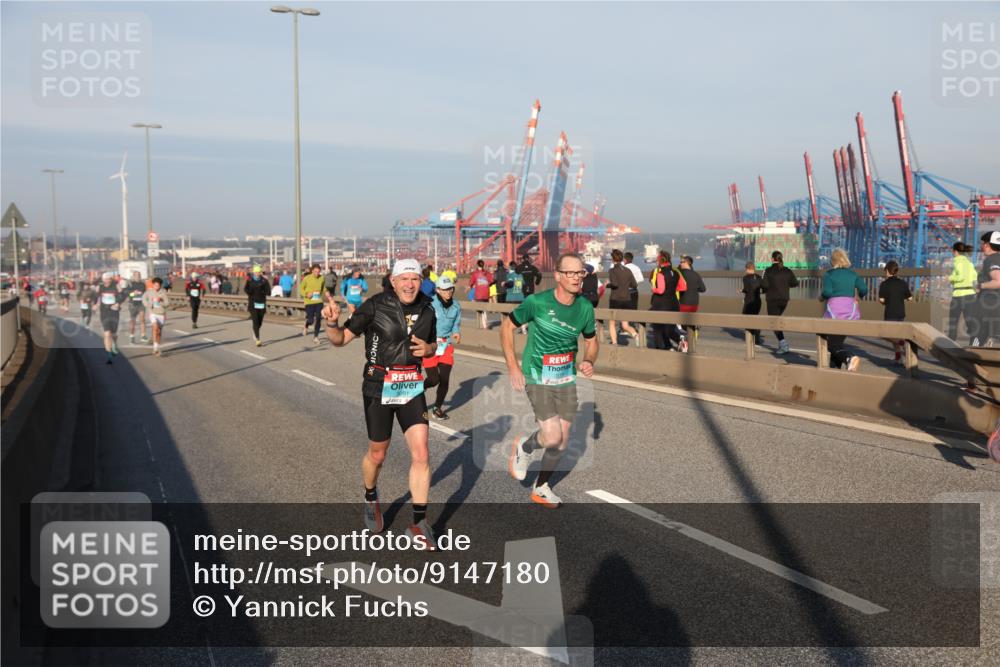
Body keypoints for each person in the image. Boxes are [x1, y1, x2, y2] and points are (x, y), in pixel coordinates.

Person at [322, 258, 438, 547]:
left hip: (411, 386)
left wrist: (430, 348)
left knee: (421, 452)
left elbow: (433, 343)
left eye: (415, 279)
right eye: (405, 279)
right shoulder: (375, 305)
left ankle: (419, 523)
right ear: (394, 281)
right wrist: (332, 323)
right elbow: (340, 340)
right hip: (379, 386)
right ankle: (370, 495)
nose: (410, 284)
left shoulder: (427, 308)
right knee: (378, 455)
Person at [503, 253, 598, 508]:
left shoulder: (585, 308)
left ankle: (541, 487)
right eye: (571, 273)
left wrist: (589, 360)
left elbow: (591, 340)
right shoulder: (537, 302)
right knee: (553, 437)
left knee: (562, 442)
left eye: (581, 273)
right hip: (537, 375)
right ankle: (525, 446)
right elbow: (507, 326)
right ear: (557, 276)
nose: (577, 278)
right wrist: (513, 367)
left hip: (566, 378)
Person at [820, 248, 867, 371]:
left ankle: (849, 358)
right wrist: (859, 297)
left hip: (834, 310)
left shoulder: (829, 274)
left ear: (832, 261)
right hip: (850, 310)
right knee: (837, 343)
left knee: (831, 345)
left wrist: (821, 297)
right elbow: (863, 289)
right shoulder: (853, 274)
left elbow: (827, 291)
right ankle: (834, 372)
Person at [423, 275, 461, 420]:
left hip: (446, 345)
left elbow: (456, 323)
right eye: (445, 290)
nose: (448, 292)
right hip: (431, 345)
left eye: (450, 289)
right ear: (438, 290)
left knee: (444, 380)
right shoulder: (430, 304)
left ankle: (437, 408)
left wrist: (456, 332)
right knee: (434, 380)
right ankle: (421, 387)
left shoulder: (456, 305)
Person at [761, 250, 799, 355]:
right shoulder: (787, 270)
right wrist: (785, 286)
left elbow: (764, 285)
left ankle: (783, 344)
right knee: (776, 321)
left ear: (772, 259)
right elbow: (795, 283)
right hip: (784, 300)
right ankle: (781, 343)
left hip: (773, 300)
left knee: (773, 322)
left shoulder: (767, 270)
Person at [649, 251, 687, 352]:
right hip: (674, 303)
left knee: (658, 326)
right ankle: (679, 342)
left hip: (661, 304)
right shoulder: (675, 272)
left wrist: (654, 289)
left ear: (660, 261)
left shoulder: (661, 274)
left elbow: (661, 290)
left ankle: (665, 346)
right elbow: (683, 287)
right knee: (670, 327)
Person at [878, 260, 913, 365]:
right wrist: (900, 298)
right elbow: (910, 298)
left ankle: (903, 343)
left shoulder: (884, 284)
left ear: (888, 271)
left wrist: (886, 301)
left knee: (885, 334)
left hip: (890, 313)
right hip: (900, 313)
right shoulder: (903, 283)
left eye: (885, 271)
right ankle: (898, 358)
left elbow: (882, 300)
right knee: (896, 335)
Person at [606, 249, 639, 346]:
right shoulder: (628, 270)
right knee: (625, 325)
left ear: (613, 259)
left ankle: (615, 343)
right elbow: (634, 285)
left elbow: (615, 284)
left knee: (612, 322)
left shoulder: (612, 270)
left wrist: (608, 285)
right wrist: (625, 284)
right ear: (621, 259)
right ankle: (635, 335)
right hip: (626, 299)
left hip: (615, 299)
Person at [973, 231, 1000, 347]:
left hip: (987, 305)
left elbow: (998, 281)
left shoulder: (991, 259)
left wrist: (980, 286)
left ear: (987, 245)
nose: (982, 246)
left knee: (977, 338)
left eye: (983, 243)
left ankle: (971, 358)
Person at [948, 242, 978, 343]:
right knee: (970, 321)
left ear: (955, 251)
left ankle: (950, 344)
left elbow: (960, 277)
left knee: (953, 322)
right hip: (970, 294)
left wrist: (950, 278)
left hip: (958, 295)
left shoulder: (957, 261)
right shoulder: (969, 263)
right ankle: (975, 344)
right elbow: (974, 277)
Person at [97, 272, 127, 364]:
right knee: (107, 334)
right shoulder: (100, 287)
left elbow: (124, 295)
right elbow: (96, 297)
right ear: (103, 279)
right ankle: (109, 355)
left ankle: (114, 345)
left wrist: (118, 303)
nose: (107, 281)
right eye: (105, 279)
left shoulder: (116, 286)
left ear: (111, 279)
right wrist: (95, 304)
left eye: (109, 279)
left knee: (113, 333)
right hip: (104, 312)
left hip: (114, 312)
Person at [677, 255, 706, 342]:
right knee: (689, 320)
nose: (680, 264)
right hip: (694, 303)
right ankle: (692, 333)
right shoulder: (696, 274)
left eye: (681, 262)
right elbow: (703, 289)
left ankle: (685, 341)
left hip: (683, 302)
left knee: (681, 322)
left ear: (687, 263)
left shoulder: (680, 274)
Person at [300, 263, 326, 344]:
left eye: (318, 272)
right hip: (309, 302)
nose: (317, 274)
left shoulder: (322, 278)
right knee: (311, 320)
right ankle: (306, 325)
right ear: (312, 271)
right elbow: (301, 289)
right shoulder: (307, 278)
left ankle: (316, 337)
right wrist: (306, 294)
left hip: (319, 301)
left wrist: (327, 293)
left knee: (318, 318)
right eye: (315, 272)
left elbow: (323, 288)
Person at [244, 265, 270, 346]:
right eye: (256, 272)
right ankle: (258, 339)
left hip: (261, 302)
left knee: (260, 321)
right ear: (254, 272)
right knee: (255, 321)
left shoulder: (264, 281)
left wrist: (264, 291)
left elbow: (268, 291)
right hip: (253, 303)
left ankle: (255, 331)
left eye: (259, 272)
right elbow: (245, 289)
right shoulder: (250, 281)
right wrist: (250, 293)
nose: (257, 273)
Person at [143, 277, 169, 356]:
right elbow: (144, 299)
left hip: (161, 313)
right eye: (155, 285)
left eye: (158, 285)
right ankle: (155, 348)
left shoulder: (163, 292)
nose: (156, 287)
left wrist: (161, 301)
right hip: (152, 313)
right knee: (155, 327)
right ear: (153, 285)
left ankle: (156, 347)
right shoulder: (149, 292)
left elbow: (167, 303)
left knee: (159, 331)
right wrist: (148, 305)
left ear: (160, 285)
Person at [581, 263, 606, 343]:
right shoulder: (596, 278)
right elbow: (600, 290)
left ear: (587, 272)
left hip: (586, 299)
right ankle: (593, 329)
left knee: (584, 314)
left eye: (583, 271)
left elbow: (579, 289)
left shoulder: (582, 279)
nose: (582, 272)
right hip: (595, 299)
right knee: (592, 313)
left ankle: (587, 331)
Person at [740, 261, 764, 344]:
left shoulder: (745, 278)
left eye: (746, 269)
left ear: (747, 269)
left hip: (749, 301)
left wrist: (741, 290)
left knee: (746, 318)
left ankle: (751, 336)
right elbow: (764, 286)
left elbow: (747, 289)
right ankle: (756, 336)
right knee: (754, 317)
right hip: (757, 301)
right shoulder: (758, 277)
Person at [469, 259, 494, 329]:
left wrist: (471, 286)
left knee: (480, 311)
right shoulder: (487, 273)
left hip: (479, 295)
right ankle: (485, 324)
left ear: (477, 265)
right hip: (486, 293)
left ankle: (483, 325)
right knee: (484, 310)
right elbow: (491, 281)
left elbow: (471, 283)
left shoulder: (475, 274)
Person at [126, 271, 148, 344]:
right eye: (136, 275)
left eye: (139, 275)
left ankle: (143, 336)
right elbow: (128, 294)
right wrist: (133, 293)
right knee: (133, 321)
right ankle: (132, 336)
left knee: (142, 319)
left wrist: (147, 301)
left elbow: (145, 294)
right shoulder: (130, 284)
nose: (138, 276)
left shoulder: (143, 284)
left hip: (141, 304)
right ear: (133, 276)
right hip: (133, 304)